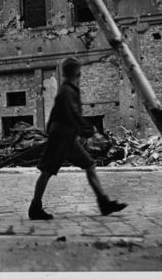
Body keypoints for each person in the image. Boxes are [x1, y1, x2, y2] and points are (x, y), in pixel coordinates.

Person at [28, 57, 127, 220]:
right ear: (76, 72)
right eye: (79, 71)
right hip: (61, 136)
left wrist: (52, 130)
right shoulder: (67, 91)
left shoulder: (68, 90)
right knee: (47, 171)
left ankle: (104, 203)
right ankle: (35, 207)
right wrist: (91, 133)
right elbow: (73, 114)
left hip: (66, 136)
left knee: (89, 165)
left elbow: (55, 115)